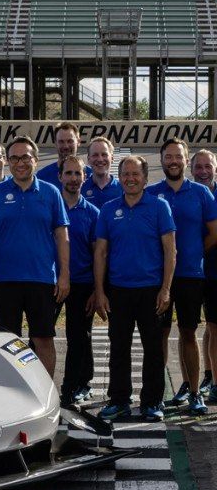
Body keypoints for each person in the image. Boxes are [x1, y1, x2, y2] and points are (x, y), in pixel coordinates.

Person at [0, 136, 70, 377]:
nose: (21, 162)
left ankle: (47, 394)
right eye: (15, 158)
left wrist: (64, 276)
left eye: (26, 157)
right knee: (7, 342)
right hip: (4, 280)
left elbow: (62, 237)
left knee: (43, 340)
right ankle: (13, 396)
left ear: (36, 160)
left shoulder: (51, 193)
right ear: (8, 162)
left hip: (41, 279)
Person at [95, 156, 176, 422]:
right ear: (120, 177)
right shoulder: (108, 209)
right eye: (126, 174)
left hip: (151, 290)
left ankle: (152, 402)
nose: (130, 178)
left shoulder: (159, 206)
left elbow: (169, 251)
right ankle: (119, 400)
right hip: (118, 290)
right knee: (118, 347)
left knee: (153, 349)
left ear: (145, 177)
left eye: (136, 174)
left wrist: (165, 289)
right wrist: (100, 291)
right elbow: (101, 253)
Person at [145, 138, 217, 414]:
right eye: (168, 157)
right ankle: (158, 394)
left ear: (186, 161)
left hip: (189, 276)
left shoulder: (201, 193)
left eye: (178, 157)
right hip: (159, 278)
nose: (173, 161)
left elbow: (213, 233)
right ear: (161, 160)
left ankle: (195, 392)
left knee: (189, 333)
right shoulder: (151, 194)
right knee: (159, 335)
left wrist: (194, 253)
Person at [57, 156, 100, 407]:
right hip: (51, 281)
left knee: (78, 338)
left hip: (82, 283)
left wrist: (97, 289)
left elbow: (98, 255)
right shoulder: (52, 205)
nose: (73, 178)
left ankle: (71, 388)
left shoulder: (93, 213)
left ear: (85, 177)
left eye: (78, 174)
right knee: (42, 336)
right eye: (69, 173)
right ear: (60, 176)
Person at [192, 149, 217, 402]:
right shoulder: (191, 194)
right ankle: (209, 374)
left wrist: (198, 250)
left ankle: (211, 375)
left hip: (212, 269)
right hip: (191, 271)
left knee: (213, 326)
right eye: (198, 167)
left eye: (207, 166)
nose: (203, 171)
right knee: (203, 327)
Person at [35, 122, 90, 191]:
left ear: (78, 141)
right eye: (61, 141)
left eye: (70, 141)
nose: (66, 146)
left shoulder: (91, 175)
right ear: (55, 143)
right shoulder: (42, 177)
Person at [81, 136, 122, 206]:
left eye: (104, 154)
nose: (100, 159)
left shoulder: (122, 189)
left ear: (112, 158)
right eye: (95, 155)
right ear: (88, 159)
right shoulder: (80, 189)